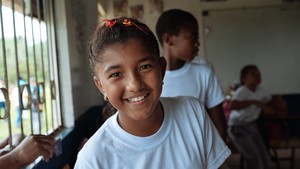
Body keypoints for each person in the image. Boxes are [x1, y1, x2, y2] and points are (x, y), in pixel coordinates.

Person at [74, 17, 231, 169]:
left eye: (145, 67)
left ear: (162, 69)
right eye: (116, 74)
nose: (134, 85)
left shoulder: (192, 113)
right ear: (101, 86)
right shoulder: (93, 159)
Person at [155, 9, 227, 140]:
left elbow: (219, 125)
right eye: (193, 37)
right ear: (169, 39)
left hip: (200, 152)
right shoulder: (152, 77)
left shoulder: (204, 73)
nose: (197, 43)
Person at [227, 65, 273, 169]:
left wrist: (275, 104)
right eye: (253, 74)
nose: (257, 76)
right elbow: (233, 106)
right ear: (244, 79)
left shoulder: (261, 91)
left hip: (252, 125)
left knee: (265, 158)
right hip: (238, 127)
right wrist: (254, 102)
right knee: (254, 158)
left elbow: (269, 102)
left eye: (259, 74)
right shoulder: (242, 90)